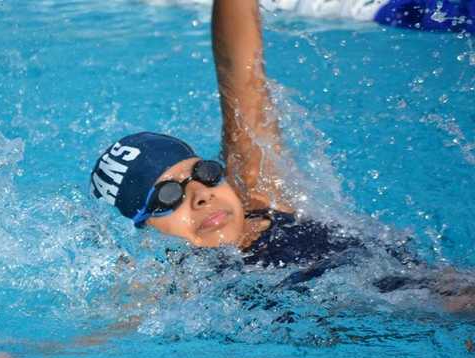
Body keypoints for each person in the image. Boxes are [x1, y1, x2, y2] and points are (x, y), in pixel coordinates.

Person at [89, 0, 475, 312]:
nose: (200, 195)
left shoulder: (262, 196)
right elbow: (100, 337)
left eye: (204, 173)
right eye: (167, 197)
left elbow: (242, 80)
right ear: (142, 231)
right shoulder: (176, 291)